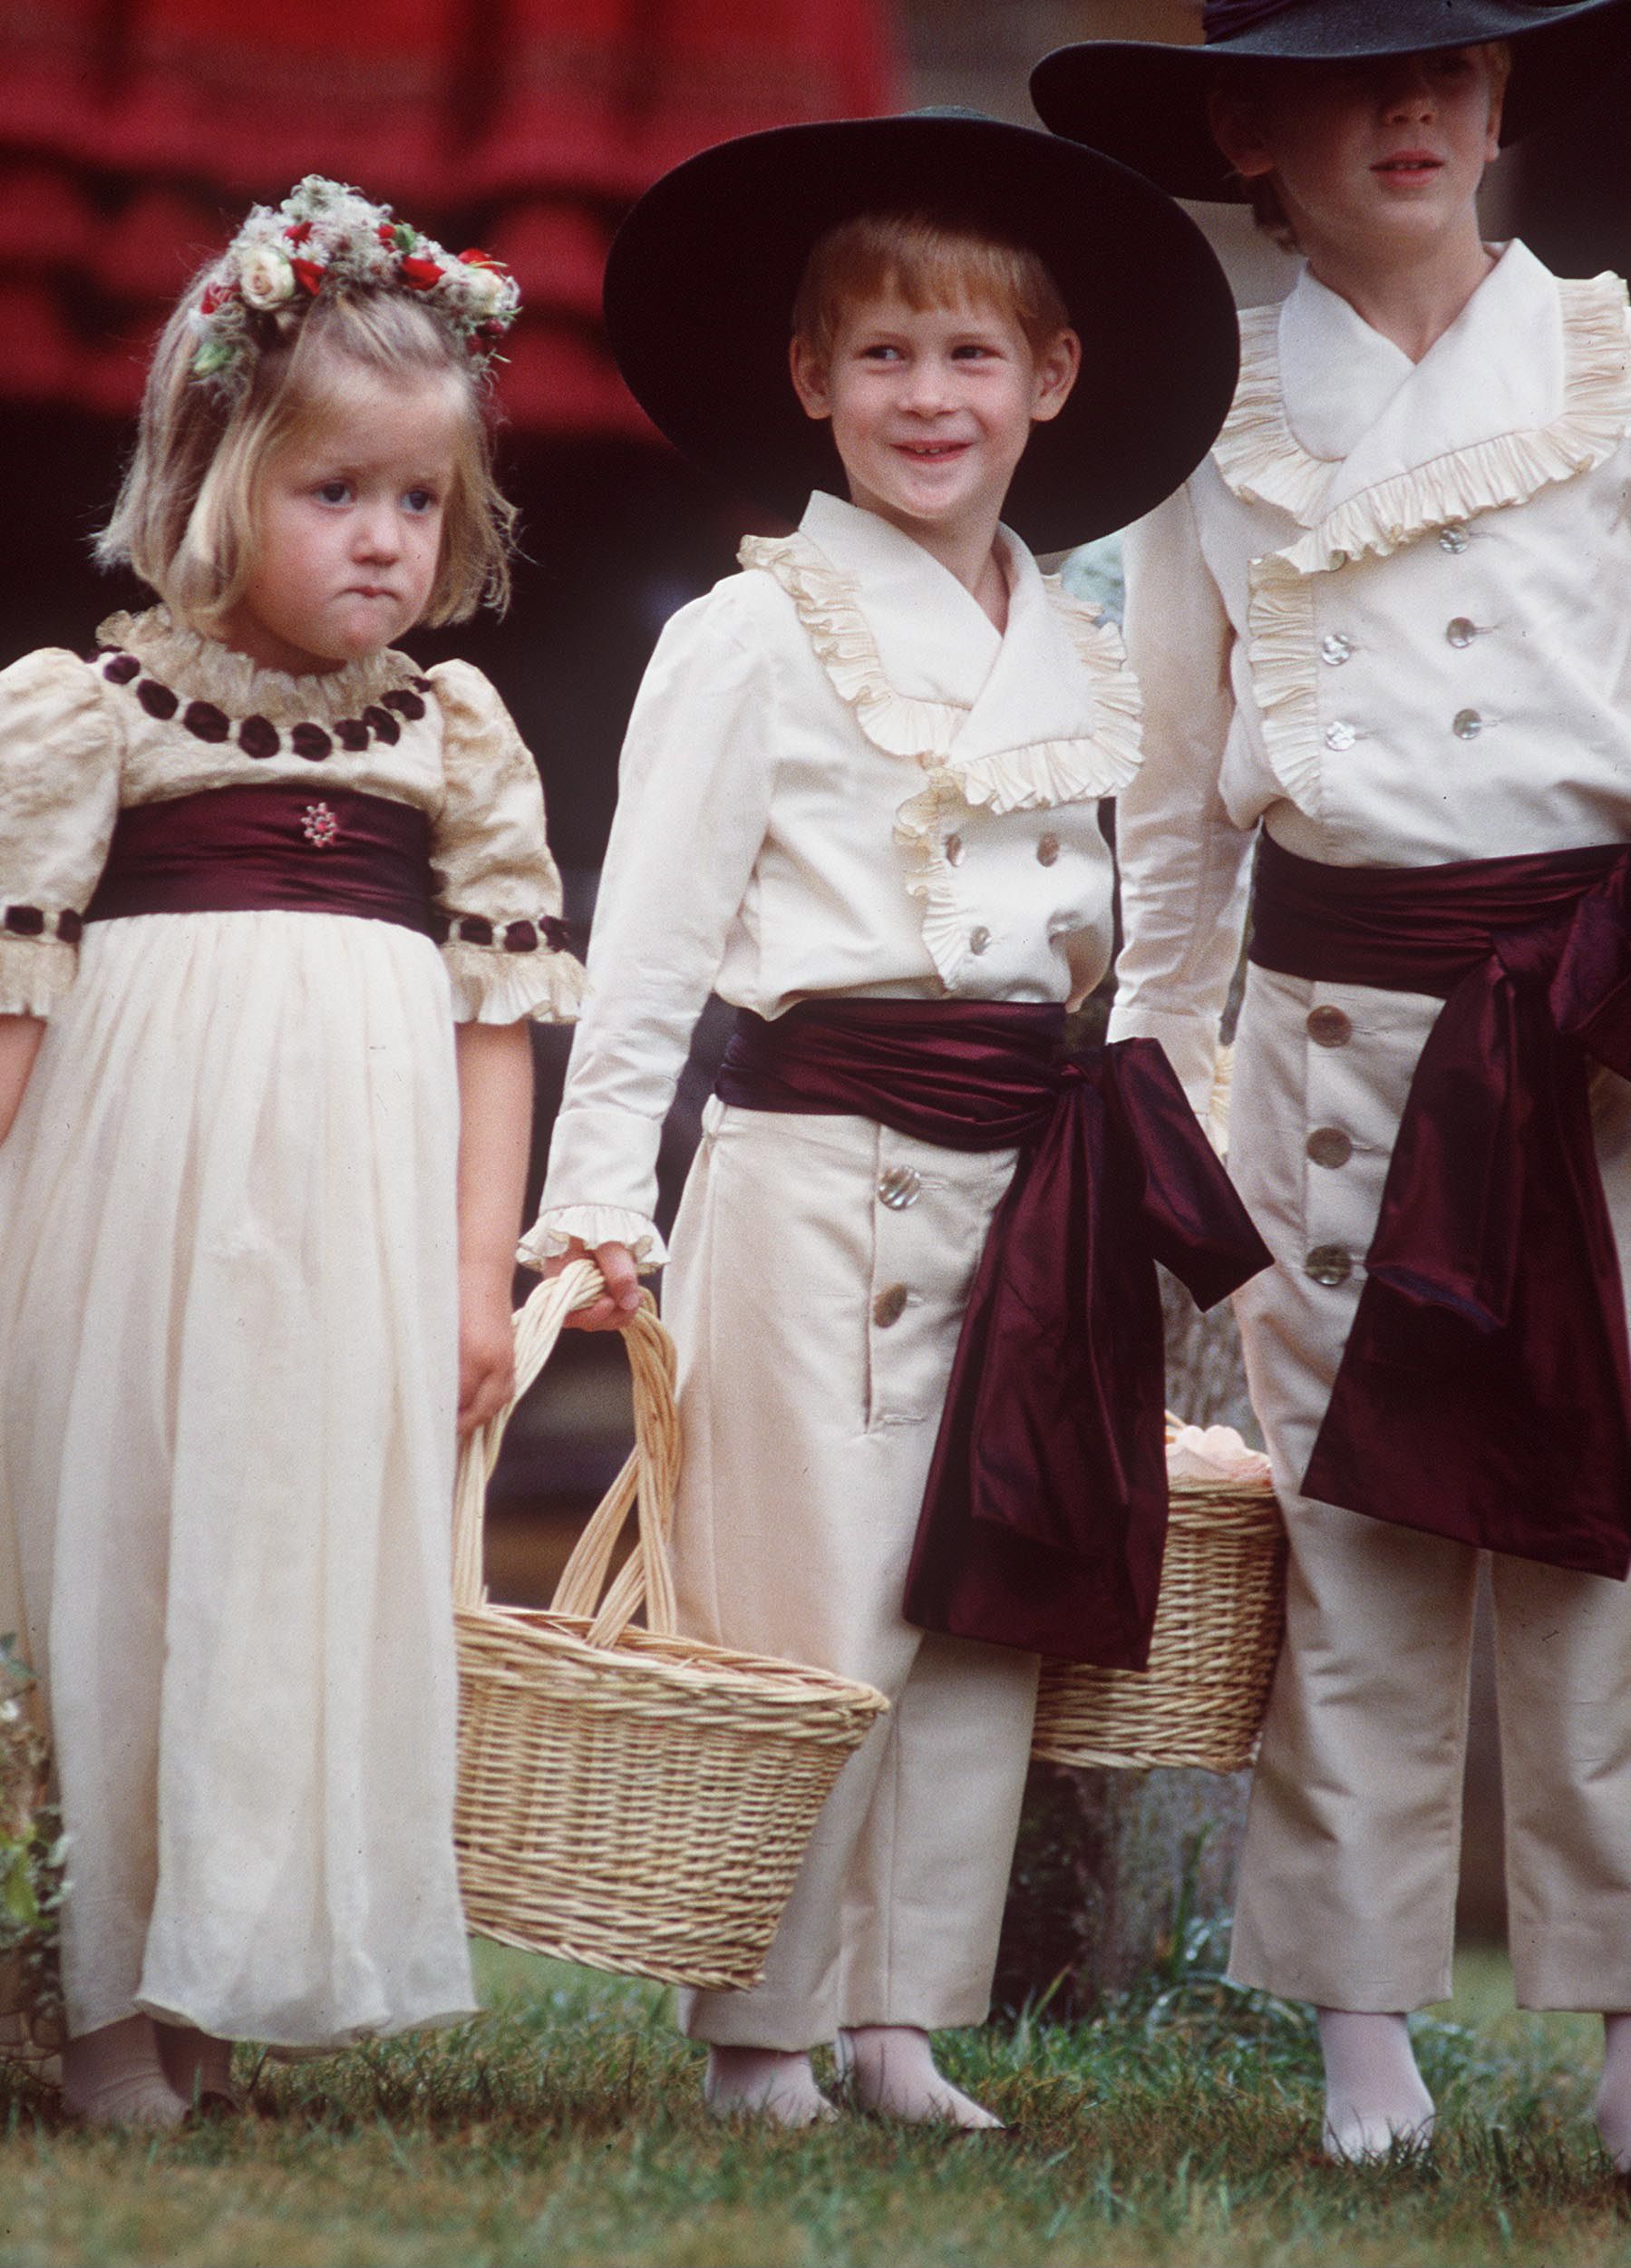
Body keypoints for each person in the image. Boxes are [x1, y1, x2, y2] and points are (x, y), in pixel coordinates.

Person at [520, 112, 1261, 2129]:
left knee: (975, 1598)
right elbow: (651, 948)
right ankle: (758, 2029)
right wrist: (598, 1206)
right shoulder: (749, 631)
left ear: (1049, 381)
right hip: (816, 1172)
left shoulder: (1084, 654)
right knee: (810, 1596)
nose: (922, 400)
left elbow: (1121, 947)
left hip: (1025, 1185)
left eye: (964, 358)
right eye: (877, 358)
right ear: (806, 381)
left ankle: (897, 2022)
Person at [1033, 0, 1631, 2165]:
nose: (1407, 109)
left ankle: (1622, 2020)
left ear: (1496, 106)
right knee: (1349, 1527)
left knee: (1603, 1534)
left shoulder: (1608, 365)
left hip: (1587, 1038)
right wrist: (1154, 1054)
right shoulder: (1209, 424)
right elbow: (1177, 797)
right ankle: (1356, 2022)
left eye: (1449, 68)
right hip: (1334, 1042)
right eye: (1348, 72)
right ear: (1241, 128)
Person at [0, 175, 583, 2125]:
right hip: (128, 1214)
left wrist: (481, 1272)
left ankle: (212, 1962)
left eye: (415, 503)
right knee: (125, 1546)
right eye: (333, 495)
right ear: (212, 478)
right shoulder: (83, 714)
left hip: (356, 1233)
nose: (381, 541)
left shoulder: (451, 737)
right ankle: (97, 2001)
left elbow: (495, 1029)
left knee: (281, 1566)